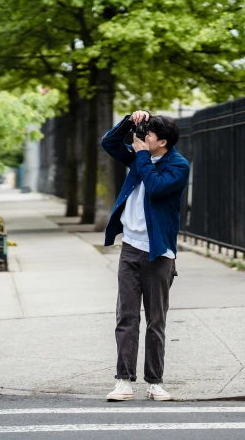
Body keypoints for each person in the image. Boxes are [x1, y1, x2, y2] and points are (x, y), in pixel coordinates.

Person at [100, 110, 190, 402]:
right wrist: (129, 121)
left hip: (158, 254)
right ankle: (123, 381)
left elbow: (155, 187)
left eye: (147, 134)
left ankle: (155, 382)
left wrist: (140, 157)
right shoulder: (140, 155)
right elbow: (109, 144)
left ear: (161, 142)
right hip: (130, 249)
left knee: (155, 320)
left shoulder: (178, 166)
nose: (141, 138)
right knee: (126, 317)